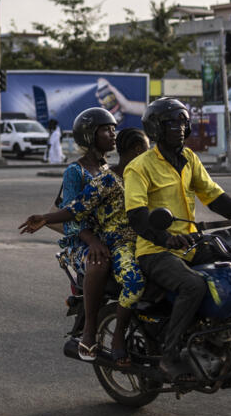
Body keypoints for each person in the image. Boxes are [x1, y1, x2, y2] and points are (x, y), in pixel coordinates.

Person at [124, 98, 231, 379]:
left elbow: (213, 195)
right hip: (155, 250)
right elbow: (137, 215)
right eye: (172, 123)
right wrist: (165, 238)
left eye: (183, 122)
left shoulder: (189, 159)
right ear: (157, 129)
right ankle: (169, 355)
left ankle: (226, 339)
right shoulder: (140, 166)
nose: (179, 128)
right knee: (193, 285)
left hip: (190, 244)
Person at [20, 112, 149, 365]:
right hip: (81, 243)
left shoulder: (109, 169)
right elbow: (72, 214)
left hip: (110, 238)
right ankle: (89, 332)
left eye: (114, 129)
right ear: (90, 136)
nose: (113, 134)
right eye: (106, 130)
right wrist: (91, 241)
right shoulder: (75, 171)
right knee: (98, 261)